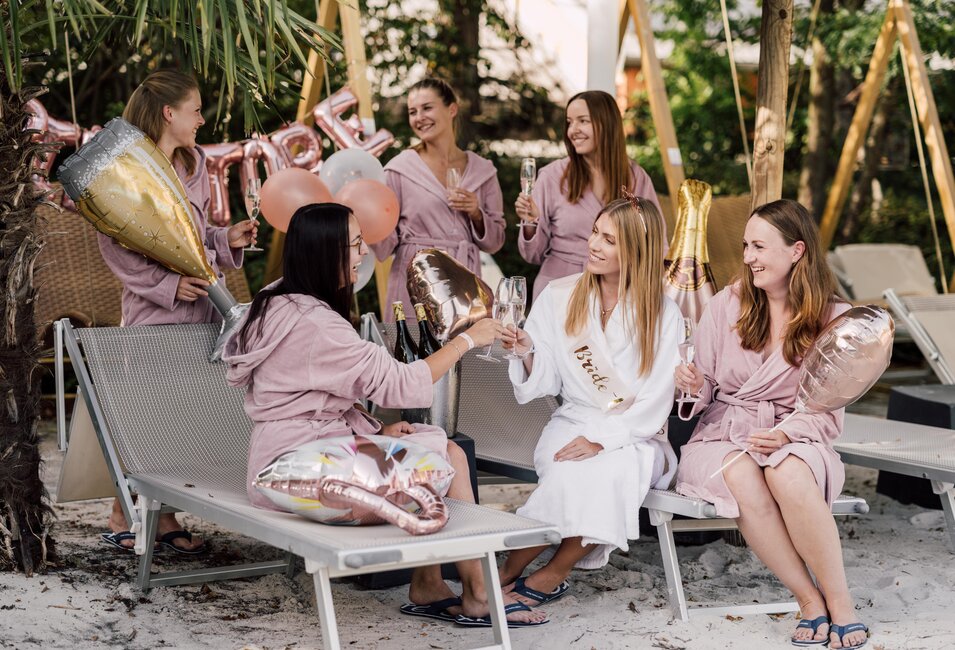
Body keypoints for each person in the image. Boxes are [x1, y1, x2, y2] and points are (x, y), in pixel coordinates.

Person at [223, 202, 546, 628]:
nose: (362, 254)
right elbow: (399, 382)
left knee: (435, 445)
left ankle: (432, 585)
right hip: (306, 478)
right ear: (325, 252)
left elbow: (306, 391)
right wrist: (469, 339)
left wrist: (374, 428)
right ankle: (479, 593)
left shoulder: (276, 300)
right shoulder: (317, 323)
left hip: (282, 461)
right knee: (445, 457)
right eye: (355, 245)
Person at [673, 200, 868, 649]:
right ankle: (808, 600)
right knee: (742, 474)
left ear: (797, 250)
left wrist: (786, 434)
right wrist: (694, 383)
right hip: (723, 435)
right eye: (745, 246)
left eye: (759, 246)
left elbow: (828, 412)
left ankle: (841, 604)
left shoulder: (835, 318)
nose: (747, 257)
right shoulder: (727, 305)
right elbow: (706, 395)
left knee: (788, 471)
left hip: (799, 433)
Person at [99, 70, 257, 554]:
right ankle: (128, 513)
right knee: (151, 410)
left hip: (205, 306)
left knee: (186, 410)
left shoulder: (194, 162)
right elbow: (116, 244)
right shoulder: (123, 168)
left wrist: (225, 239)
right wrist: (168, 285)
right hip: (158, 313)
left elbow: (197, 234)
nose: (202, 119)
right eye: (195, 110)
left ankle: (164, 513)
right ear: (169, 113)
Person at [499, 195, 681, 605]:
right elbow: (543, 377)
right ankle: (510, 573)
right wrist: (527, 349)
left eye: (610, 240)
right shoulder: (559, 295)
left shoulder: (663, 313)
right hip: (573, 420)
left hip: (636, 434)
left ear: (637, 250)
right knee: (568, 473)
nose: (594, 245)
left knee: (606, 471)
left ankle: (543, 575)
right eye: (596, 233)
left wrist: (605, 440)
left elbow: (656, 399)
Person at [371, 78, 505, 324]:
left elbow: (495, 242)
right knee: (412, 357)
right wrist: (368, 218)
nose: (419, 117)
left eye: (427, 108)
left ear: (452, 109)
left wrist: (476, 213)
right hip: (415, 282)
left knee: (464, 357)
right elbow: (385, 244)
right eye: (413, 112)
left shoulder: (483, 171)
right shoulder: (399, 170)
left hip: (465, 286)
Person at [516, 90, 664, 300]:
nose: (572, 130)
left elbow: (656, 243)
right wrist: (531, 221)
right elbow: (532, 255)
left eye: (582, 121)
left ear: (607, 124)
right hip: (558, 291)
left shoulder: (635, 178)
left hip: (616, 293)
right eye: (569, 122)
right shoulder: (551, 176)